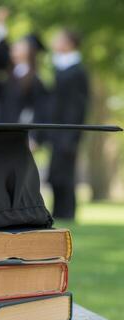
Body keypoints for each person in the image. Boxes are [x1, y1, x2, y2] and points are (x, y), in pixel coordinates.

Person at [48, 29, 89, 219]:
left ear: (70, 43)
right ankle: (58, 212)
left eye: (59, 39)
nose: (55, 42)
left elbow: (77, 107)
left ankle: (68, 214)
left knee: (66, 175)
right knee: (56, 175)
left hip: (68, 132)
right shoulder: (59, 68)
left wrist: (71, 135)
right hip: (57, 131)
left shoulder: (77, 71)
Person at [1, 34, 47, 125]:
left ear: (29, 51)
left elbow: (39, 109)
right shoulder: (9, 76)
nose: (14, 51)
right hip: (7, 125)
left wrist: (34, 134)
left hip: (25, 128)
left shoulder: (35, 80)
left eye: (18, 48)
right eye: (13, 49)